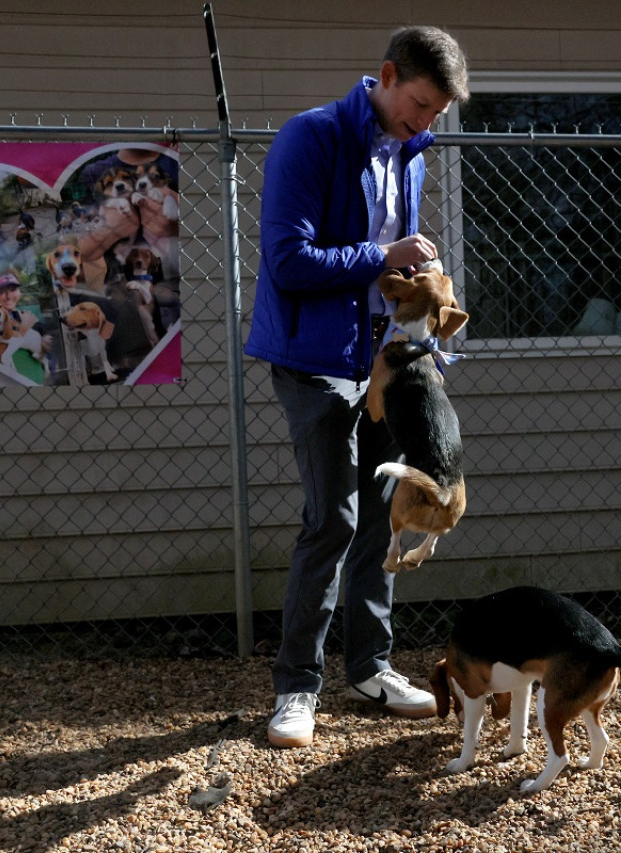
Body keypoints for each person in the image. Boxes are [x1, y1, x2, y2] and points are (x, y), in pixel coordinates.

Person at [245, 25, 470, 749]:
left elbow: (390, 274)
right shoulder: (310, 138)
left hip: (385, 357)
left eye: (437, 113)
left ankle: (370, 667)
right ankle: (296, 688)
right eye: (421, 103)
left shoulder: (411, 153)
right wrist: (384, 255)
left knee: (382, 512)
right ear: (386, 75)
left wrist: (422, 333)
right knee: (333, 517)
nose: (426, 120)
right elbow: (289, 260)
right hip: (313, 360)